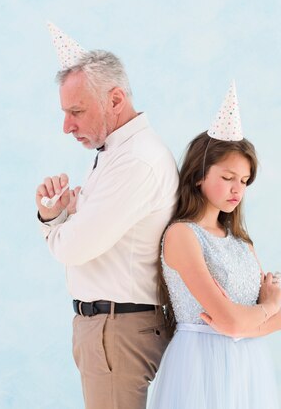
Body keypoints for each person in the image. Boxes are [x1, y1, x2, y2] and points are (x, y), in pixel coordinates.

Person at [36, 23, 179, 409]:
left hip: (117, 331)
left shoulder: (135, 160)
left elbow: (74, 248)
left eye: (77, 111)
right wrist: (66, 216)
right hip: (109, 330)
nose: (67, 126)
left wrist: (55, 224)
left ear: (116, 99)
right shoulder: (116, 153)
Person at [147, 82, 281, 409]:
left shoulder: (241, 243)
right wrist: (267, 307)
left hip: (248, 367)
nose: (237, 189)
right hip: (200, 363)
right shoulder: (182, 235)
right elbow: (240, 320)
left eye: (244, 181)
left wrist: (244, 323)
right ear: (198, 175)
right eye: (227, 177)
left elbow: (279, 322)